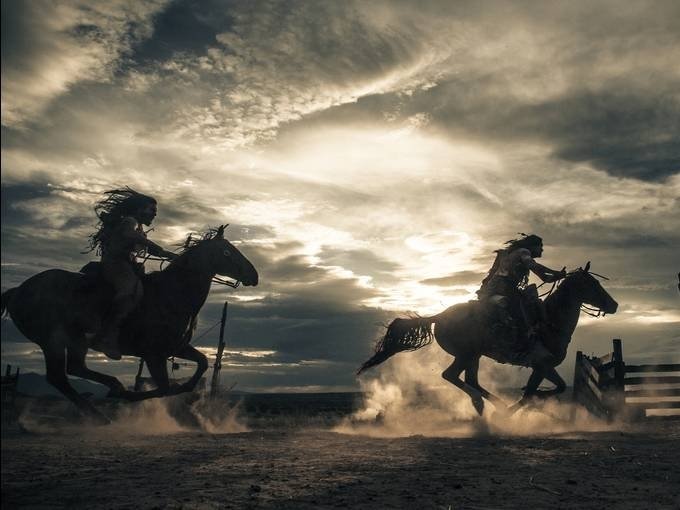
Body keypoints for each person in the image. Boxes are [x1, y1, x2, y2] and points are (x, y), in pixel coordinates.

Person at [86, 187, 177, 360]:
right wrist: (158, 248)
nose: (154, 214)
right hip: (116, 264)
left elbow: (147, 246)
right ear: (139, 209)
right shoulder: (130, 221)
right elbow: (129, 235)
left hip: (128, 265)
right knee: (130, 291)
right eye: (152, 210)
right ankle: (105, 335)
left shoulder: (138, 226)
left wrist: (169, 255)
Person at [477, 234, 566, 356]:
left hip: (502, 287)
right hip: (504, 287)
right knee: (521, 311)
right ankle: (518, 341)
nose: (542, 250)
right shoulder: (524, 252)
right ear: (533, 246)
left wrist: (556, 276)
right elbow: (533, 266)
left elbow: (544, 277)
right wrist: (555, 272)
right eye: (540, 247)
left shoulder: (516, 254)